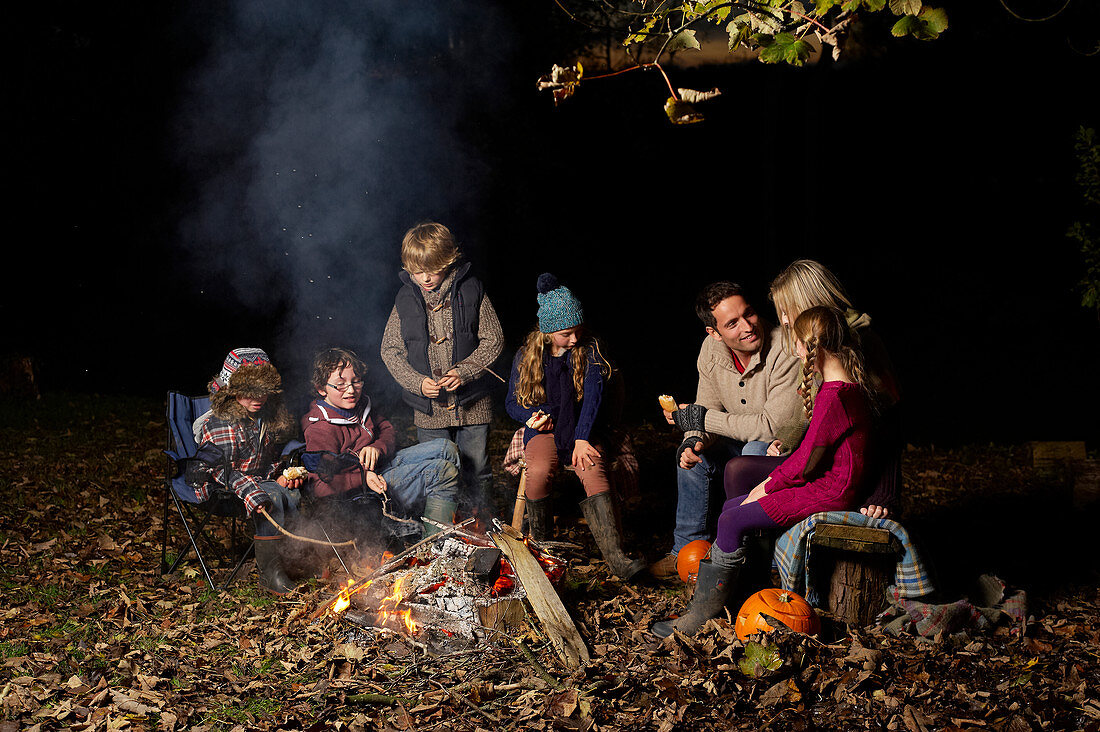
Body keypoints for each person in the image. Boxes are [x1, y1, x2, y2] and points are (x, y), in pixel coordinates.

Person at [651, 306, 876, 637]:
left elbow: (807, 462)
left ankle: (701, 616)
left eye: (797, 344)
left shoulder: (835, 395)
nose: (795, 351)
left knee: (731, 518)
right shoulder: (841, 386)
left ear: (815, 346)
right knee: (732, 507)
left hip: (832, 490)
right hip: (827, 483)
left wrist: (769, 485)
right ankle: (743, 593)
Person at [649, 282, 804, 581]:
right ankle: (685, 551)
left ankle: (755, 555)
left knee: (753, 452)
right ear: (714, 333)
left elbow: (771, 426)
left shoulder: (785, 349)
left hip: (778, 448)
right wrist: (693, 438)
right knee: (693, 456)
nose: (747, 327)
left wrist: (701, 419)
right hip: (733, 441)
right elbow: (707, 405)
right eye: (733, 323)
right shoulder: (711, 350)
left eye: (749, 314)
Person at [505, 273, 645, 580]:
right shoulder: (527, 356)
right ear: (548, 331)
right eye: (567, 333)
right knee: (539, 471)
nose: (575, 339)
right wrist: (529, 417)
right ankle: (542, 548)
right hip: (546, 432)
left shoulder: (590, 350)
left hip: (585, 428)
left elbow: (594, 398)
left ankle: (617, 557)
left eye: (578, 331)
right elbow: (511, 403)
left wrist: (583, 438)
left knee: (593, 467)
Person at [380, 222, 504, 522]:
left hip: (472, 401)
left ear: (448, 262)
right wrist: (417, 383)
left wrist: (465, 371)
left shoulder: (472, 290)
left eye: (431, 271)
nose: (424, 278)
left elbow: (494, 338)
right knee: (435, 465)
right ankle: (439, 531)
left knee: (477, 467)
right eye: (416, 271)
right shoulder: (405, 299)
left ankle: (484, 527)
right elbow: (390, 350)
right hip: (429, 407)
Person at [768, 259, 901, 519]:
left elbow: (890, 418)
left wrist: (886, 492)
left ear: (808, 300)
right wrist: (786, 440)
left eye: (787, 310)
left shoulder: (860, 342)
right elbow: (809, 406)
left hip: (847, 477)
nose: (783, 320)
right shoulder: (809, 341)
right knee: (751, 457)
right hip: (814, 460)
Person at [302, 347, 461, 544]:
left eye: (356, 381)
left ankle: (460, 515)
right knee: (442, 471)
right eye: (340, 385)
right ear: (321, 388)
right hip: (362, 495)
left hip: (380, 466)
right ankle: (436, 546)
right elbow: (318, 486)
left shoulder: (358, 406)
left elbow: (387, 429)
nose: (351, 390)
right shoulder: (320, 429)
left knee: (447, 449)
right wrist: (362, 477)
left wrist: (377, 447)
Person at [186, 348, 304, 595]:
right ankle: (269, 574)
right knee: (272, 498)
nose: (257, 398)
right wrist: (252, 492)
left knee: (291, 494)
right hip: (223, 485)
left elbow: (266, 461)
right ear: (231, 391)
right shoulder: (219, 423)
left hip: (258, 479)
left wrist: (283, 472)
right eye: (248, 393)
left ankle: (294, 559)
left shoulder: (265, 416)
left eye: (262, 391)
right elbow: (218, 470)